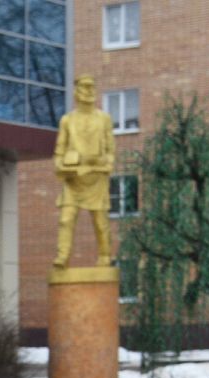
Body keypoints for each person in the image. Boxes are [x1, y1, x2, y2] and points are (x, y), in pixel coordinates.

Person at [52, 74, 116, 270]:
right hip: (74, 180)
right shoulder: (67, 120)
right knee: (66, 219)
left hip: (96, 178)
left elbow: (111, 152)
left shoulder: (104, 118)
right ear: (76, 92)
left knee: (100, 222)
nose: (89, 91)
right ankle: (62, 257)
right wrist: (62, 167)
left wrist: (105, 163)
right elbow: (59, 151)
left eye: (92, 87)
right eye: (85, 87)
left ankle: (105, 256)